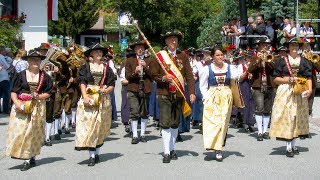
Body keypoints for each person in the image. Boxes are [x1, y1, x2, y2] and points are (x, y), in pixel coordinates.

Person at [150, 30, 195, 163]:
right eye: (170, 39)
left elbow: (189, 76)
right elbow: (153, 74)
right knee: (165, 123)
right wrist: (163, 77)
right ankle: (166, 152)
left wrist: (192, 92)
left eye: (175, 39)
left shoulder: (183, 56)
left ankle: (172, 148)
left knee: (175, 123)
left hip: (179, 94)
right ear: (166, 42)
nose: (173, 42)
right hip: (164, 93)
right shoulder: (159, 56)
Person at [6, 50, 53, 171]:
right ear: (28, 61)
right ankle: (25, 154)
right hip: (21, 106)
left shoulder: (45, 77)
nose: (35, 61)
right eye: (32, 59)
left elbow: (48, 93)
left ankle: (29, 157)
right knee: (21, 131)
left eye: (37, 59)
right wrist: (17, 103)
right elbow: (13, 92)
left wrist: (39, 96)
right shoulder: (20, 75)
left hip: (37, 107)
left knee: (33, 132)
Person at [270, 37, 313, 158]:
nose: (294, 47)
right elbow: (275, 79)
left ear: (299, 47)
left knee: (297, 118)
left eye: (296, 45)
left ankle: (294, 144)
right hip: (285, 91)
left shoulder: (305, 61)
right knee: (288, 118)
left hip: (299, 91)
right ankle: (288, 146)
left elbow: (309, 77)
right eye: (292, 45)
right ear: (288, 47)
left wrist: (309, 90)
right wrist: (287, 79)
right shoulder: (281, 61)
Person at [75, 43, 115, 166]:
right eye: (96, 52)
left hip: (103, 100)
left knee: (99, 127)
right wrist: (85, 96)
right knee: (89, 126)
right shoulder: (85, 67)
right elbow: (82, 83)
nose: (99, 53)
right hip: (88, 99)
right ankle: (91, 155)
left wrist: (105, 90)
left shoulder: (107, 69)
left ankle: (97, 153)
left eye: (100, 52)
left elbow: (112, 85)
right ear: (91, 54)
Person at [247, 38, 275, 141]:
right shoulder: (254, 58)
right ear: (258, 46)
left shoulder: (271, 57)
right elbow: (250, 70)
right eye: (263, 45)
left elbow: (275, 68)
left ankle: (265, 131)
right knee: (259, 108)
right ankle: (259, 131)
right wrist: (258, 60)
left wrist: (269, 60)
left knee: (267, 109)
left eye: (266, 45)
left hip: (269, 85)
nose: (265, 47)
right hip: (258, 86)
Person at [126, 41, 153, 144]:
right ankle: (135, 135)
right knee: (134, 111)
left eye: (142, 47)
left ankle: (142, 134)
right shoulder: (129, 60)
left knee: (144, 112)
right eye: (138, 48)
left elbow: (153, 75)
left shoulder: (150, 60)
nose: (140, 49)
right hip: (133, 88)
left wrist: (146, 67)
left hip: (146, 88)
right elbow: (128, 76)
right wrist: (135, 72)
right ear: (135, 49)